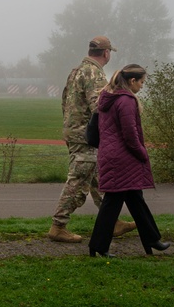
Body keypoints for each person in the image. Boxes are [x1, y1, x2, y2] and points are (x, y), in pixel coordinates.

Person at [49, 36, 136, 243]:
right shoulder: (94, 73)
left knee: (100, 180)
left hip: (76, 133)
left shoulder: (77, 71)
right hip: (86, 137)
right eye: (109, 53)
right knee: (78, 181)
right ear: (106, 53)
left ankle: (113, 222)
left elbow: (65, 102)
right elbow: (100, 106)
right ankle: (58, 226)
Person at [88, 64, 169, 257]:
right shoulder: (125, 100)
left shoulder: (109, 98)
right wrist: (142, 153)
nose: (142, 86)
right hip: (124, 158)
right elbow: (130, 135)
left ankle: (151, 239)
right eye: (141, 82)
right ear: (132, 81)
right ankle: (98, 246)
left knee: (135, 200)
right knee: (113, 203)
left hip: (112, 155)